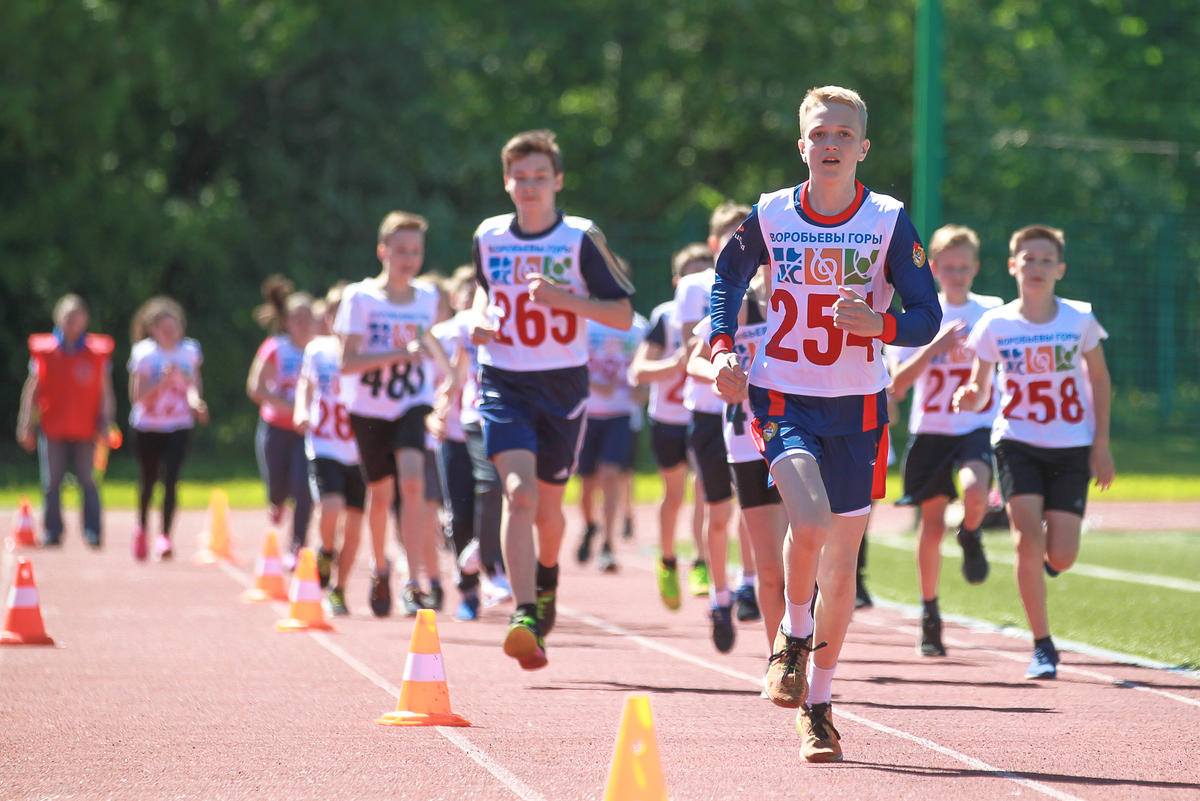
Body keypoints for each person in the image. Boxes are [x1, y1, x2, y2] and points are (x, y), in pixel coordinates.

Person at [710, 86, 941, 761]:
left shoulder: (889, 220)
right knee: (806, 522)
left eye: (844, 133)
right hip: (783, 394)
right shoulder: (772, 214)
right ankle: (791, 640)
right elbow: (726, 280)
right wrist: (724, 347)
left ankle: (820, 705)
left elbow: (927, 314)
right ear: (802, 144)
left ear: (864, 147)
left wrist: (883, 324)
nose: (831, 143)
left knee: (841, 564)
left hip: (859, 406)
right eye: (819, 133)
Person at [470, 129, 634, 670]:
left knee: (548, 510)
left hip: (562, 383)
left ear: (558, 181)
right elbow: (483, 288)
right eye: (520, 176)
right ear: (506, 181)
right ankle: (522, 614)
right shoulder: (490, 236)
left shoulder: (580, 238)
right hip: (503, 382)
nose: (530, 185)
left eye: (540, 176)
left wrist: (563, 298)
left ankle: (547, 577)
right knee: (517, 496)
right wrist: (477, 316)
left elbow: (622, 315)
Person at [953, 224, 1114, 680]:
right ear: (1012, 266)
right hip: (1016, 442)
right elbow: (981, 388)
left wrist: (1101, 444)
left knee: (1060, 556)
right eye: (1029, 259)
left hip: (1071, 446)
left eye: (1047, 260)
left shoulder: (1078, 320)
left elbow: (1100, 381)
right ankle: (1043, 645)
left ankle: (1048, 561)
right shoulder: (995, 324)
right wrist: (969, 395)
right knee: (1026, 534)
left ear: (1060, 269)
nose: (1037, 267)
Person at [888, 224, 1002, 656]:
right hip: (930, 429)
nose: (957, 273)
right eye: (948, 266)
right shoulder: (920, 315)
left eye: (964, 266)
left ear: (975, 268)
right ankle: (929, 613)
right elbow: (896, 386)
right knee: (931, 525)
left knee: (976, 490)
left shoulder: (991, 313)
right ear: (933, 268)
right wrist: (932, 346)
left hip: (973, 424)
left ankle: (971, 533)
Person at [334, 211, 454, 619]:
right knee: (381, 494)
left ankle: (414, 580)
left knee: (415, 484)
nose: (409, 258)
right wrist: (398, 354)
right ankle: (380, 568)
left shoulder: (427, 298)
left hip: (411, 403)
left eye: (416, 251)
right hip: (368, 409)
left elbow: (430, 342)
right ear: (382, 250)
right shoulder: (360, 297)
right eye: (401, 250)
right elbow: (347, 362)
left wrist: (451, 377)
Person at [688, 283, 788, 655]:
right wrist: (720, 370)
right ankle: (780, 658)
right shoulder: (739, 305)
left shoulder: (810, 291)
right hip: (747, 440)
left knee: (806, 553)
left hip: (800, 435)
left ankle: (802, 649)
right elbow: (694, 359)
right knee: (770, 564)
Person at [676, 204, 764, 628]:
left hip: (764, 420)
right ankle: (719, 594)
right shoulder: (727, 298)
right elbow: (691, 361)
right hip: (716, 416)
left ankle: (750, 583)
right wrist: (722, 371)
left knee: (756, 509)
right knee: (718, 511)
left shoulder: (782, 295)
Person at [630, 244, 713, 609]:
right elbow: (638, 372)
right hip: (667, 417)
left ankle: (701, 561)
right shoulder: (664, 318)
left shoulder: (726, 312)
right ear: (678, 282)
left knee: (706, 490)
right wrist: (677, 364)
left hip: (704, 414)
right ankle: (666, 559)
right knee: (675, 493)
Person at [17, 294, 116, 549]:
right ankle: (52, 531)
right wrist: (26, 422)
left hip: (87, 427)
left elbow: (105, 391)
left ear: (85, 319)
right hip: (53, 426)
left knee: (88, 479)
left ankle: (93, 531)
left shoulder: (97, 352)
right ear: (57, 318)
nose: (71, 322)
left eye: (77, 316)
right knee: (51, 480)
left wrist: (107, 421)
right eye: (67, 317)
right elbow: (33, 389)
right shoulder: (44, 351)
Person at [294, 284, 364, 616]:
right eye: (337, 314)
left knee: (354, 523)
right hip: (324, 442)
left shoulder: (369, 350)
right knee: (331, 505)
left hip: (362, 448)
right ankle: (324, 549)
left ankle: (340, 588)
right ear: (330, 318)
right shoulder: (318, 350)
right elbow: (305, 384)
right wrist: (301, 410)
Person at [127, 297, 208, 561]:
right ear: (153, 329)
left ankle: (165, 536)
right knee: (149, 480)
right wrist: (161, 381)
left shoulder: (190, 351)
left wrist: (197, 404)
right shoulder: (144, 353)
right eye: (165, 328)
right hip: (148, 426)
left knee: (171, 478)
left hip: (178, 424)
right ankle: (141, 528)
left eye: (175, 328)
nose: (171, 334)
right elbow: (137, 396)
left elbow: (194, 386)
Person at [247, 276, 315, 568]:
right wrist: (288, 405)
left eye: (307, 319)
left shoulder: (321, 350)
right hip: (275, 428)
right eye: (296, 319)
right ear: (286, 322)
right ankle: (276, 504)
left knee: (303, 488)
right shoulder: (276, 347)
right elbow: (255, 388)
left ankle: (298, 545)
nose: (302, 324)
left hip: (305, 432)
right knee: (278, 489)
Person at [576, 306, 650, 573]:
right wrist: (594, 385)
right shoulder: (584, 321)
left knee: (611, 476)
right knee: (587, 483)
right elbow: (568, 363)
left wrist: (645, 389)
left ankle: (608, 544)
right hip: (587, 415)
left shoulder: (639, 326)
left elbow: (648, 362)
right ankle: (589, 525)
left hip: (621, 414)